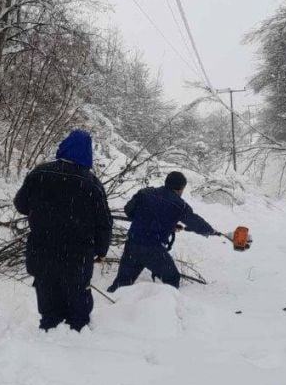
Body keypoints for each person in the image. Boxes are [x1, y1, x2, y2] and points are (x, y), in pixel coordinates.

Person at [13, 129, 112, 331]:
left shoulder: (40, 173)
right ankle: (77, 328)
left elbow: (21, 204)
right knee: (77, 291)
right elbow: (104, 222)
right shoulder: (91, 183)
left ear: (64, 147)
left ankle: (49, 324)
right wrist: (101, 251)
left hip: (41, 246)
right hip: (77, 253)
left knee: (46, 286)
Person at [107, 171, 217, 292]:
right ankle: (162, 306)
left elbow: (129, 210)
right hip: (152, 248)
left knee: (122, 283)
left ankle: (113, 305)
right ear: (180, 188)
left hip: (132, 244)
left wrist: (163, 224)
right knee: (172, 278)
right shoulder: (179, 205)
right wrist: (210, 230)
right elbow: (195, 222)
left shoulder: (145, 193)